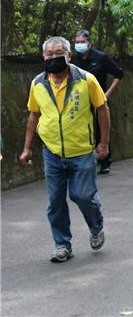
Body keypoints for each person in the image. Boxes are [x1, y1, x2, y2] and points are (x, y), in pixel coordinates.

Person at [19, 36, 109, 262]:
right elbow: (33, 115)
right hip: (52, 151)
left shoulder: (86, 80)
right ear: (43, 57)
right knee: (55, 202)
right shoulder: (38, 83)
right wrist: (27, 148)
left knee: (83, 195)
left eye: (58, 53)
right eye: (49, 54)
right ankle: (62, 244)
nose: (53, 57)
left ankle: (96, 225)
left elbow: (102, 109)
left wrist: (104, 143)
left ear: (69, 56)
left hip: (81, 150)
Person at [72, 29, 123, 174]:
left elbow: (119, 74)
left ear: (90, 43)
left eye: (82, 42)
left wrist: (107, 94)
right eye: (77, 42)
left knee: (102, 129)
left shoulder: (101, 58)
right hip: (80, 101)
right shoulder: (73, 60)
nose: (80, 45)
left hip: (99, 101)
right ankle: (85, 160)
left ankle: (105, 160)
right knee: (84, 129)